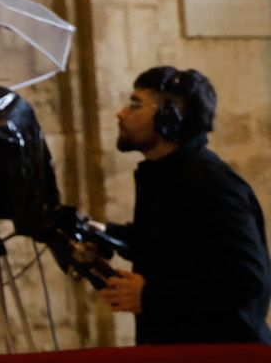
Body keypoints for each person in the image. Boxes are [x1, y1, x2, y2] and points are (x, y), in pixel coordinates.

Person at [98, 66, 271, 345]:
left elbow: (247, 280)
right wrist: (103, 233)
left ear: (170, 116)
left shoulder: (210, 182)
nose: (122, 113)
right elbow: (167, 245)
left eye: (135, 104)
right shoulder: (165, 174)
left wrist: (150, 295)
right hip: (184, 356)